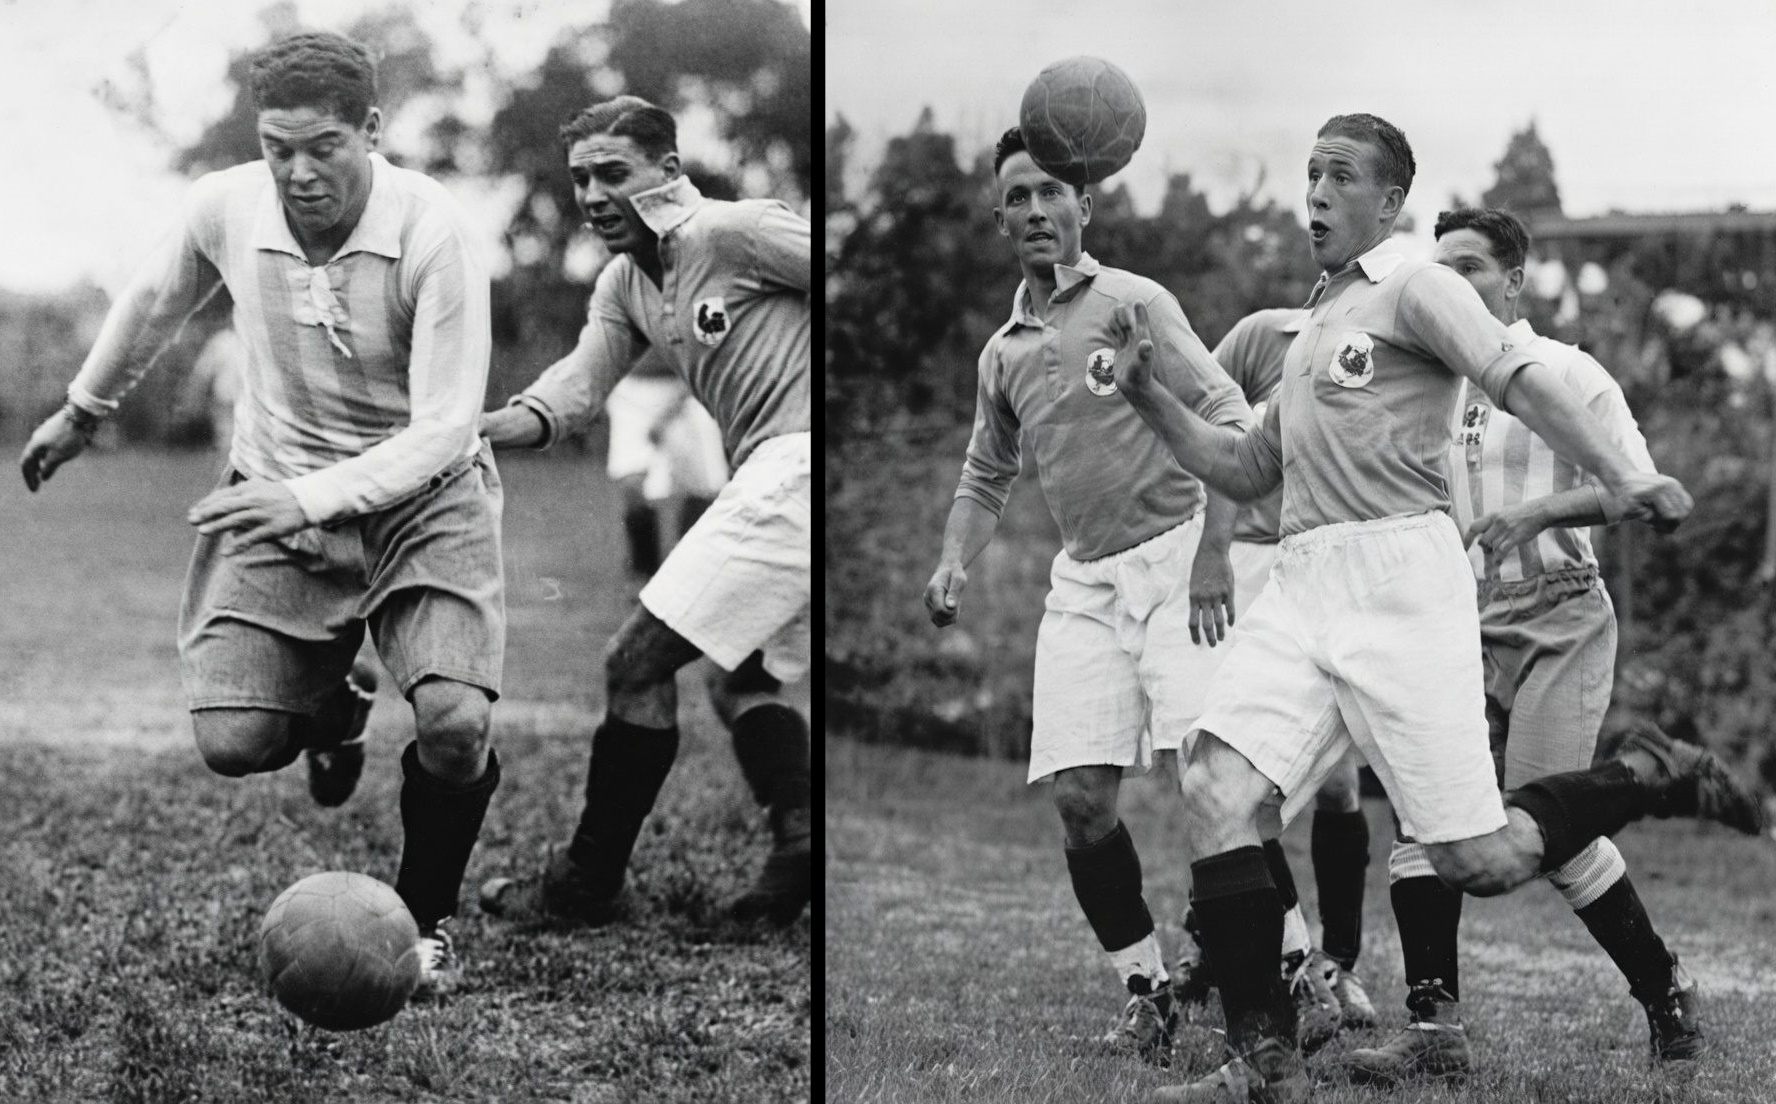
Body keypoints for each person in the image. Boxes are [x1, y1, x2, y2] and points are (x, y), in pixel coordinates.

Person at [1104, 114, 1756, 1103]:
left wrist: (1628, 470)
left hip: (1403, 586)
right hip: (1303, 579)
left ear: (1389, 201)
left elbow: (1514, 373)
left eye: (1341, 175)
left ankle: (1651, 774)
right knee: (1217, 785)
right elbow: (1243, 464)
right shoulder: (1315, 325)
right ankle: (1267, 1060)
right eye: (1310, 171)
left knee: (1478, 858)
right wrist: (1152, 395)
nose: (1315, 191)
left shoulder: (1416, 285)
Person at [18, 32, 505, 998]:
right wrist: (84, 409)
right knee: (234, 744)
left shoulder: (434, 229)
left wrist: (313, 498)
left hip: (426, 497)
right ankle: (336, 704)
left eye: (322, 145)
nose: (298, 170)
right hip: (276, 485)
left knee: (454, 724)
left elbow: (448, 426)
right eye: (278, 147)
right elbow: (155, 301)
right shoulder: (228, 206)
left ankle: (425, 923)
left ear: (371, 129)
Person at [1348, 206, 1745, 1081]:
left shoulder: (1569, 373)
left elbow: (1636, 488)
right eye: (1441, 269)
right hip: (1455, 621)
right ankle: (1433, 1032)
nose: (1453, 285)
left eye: (1473, 268)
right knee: (1423, 819)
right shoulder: (1428, 382)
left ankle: (1662, 983)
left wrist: (1536, 511)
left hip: (1559, 613)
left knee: (1545, 829)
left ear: (1515, 281)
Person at [920, 126, 1256, 1064]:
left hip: (1179, 560)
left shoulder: (1134, 301)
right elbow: (986, 476)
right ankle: (1147, 988)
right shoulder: (1003, 353)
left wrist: (1214, 553)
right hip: (1085, 581)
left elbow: (1230, 417)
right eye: (1017, 197)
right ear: (1000, 219)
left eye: (1051, 194)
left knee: (1213, 785)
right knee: (1079, 798)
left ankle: (1277, 982)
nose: (1035, 211)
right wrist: (954, 562)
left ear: (1086, 207)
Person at [476, 96, 812, 928]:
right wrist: (472, 431)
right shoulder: (626, 283)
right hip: (768, 480)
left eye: (612, 174)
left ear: (668, 172)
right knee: (745, 682)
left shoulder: (735, 231)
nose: (591, 195)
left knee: (635, 664)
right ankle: (800, 853)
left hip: (801, 466)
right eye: (581, 177)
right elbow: (577, 389)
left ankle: (587, 883)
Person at [1171, 309, 1378, 1038]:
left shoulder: (1389, 345)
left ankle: (1335, 961)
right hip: (1248, 567)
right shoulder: (1266, 337)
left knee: (1339, 782)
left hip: (1330, 569)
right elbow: (1215, 426)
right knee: (1222, 765)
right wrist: (1210, 547)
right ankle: (1241, 948)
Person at [604, 348, 729, 579]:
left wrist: (670, 411)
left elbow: (710, 350)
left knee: (701, 487)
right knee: (632, 485)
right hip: (630, 389)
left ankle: (689, 572)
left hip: (686, 388)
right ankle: (644, 575)